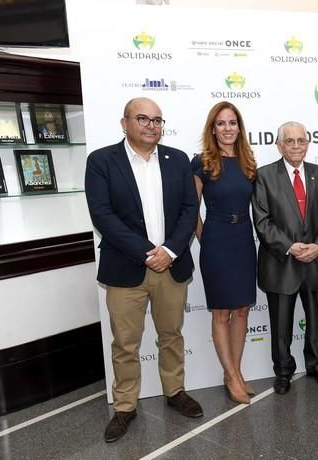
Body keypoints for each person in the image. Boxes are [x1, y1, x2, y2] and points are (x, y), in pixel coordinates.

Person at [84, 97, 203, 443]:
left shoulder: (177, 159)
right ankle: (124, 407)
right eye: (143, 119)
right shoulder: (102, 161)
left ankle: (175, 391)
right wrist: (146, 252)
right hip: (126, 269)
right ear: (124, 123)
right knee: (125, 343)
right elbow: (102, 214)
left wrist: (168, 251)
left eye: (157, 120)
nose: (152, 125)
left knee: (171, 335)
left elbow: (188, 210)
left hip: (172, 265)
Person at [252, 121, 318, 395]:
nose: (295, 146)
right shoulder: (264, 176)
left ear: (307, 143)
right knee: (281, 324)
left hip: (315, 261)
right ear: (279, 145)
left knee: (317, 319)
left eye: (301, 140)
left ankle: (317, 366)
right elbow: (262, 220)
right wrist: (291, 247)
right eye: (289, 141)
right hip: (281, 262)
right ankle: (283, 372)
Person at [192, 101, 257, 404]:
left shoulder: (248, 161)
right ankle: (230, 376)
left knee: (242, 309)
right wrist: (206, 239)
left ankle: (237, 371)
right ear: (213, 128)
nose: (228, 128)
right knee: (221, 312)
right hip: (216, 239)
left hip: (244, 238)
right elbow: (192, 209)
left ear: (239, 128)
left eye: (232, 123)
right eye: (221, 123)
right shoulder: (202, 161)